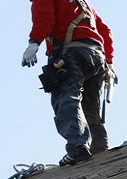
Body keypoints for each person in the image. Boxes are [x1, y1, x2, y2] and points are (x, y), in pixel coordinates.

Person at [21, 0, 115, 166]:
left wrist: (34, 42)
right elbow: (104, 30)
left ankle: (78, 147)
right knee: (89, 105)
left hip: (71, 52)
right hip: (97, 57)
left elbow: (44, 19)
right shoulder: (83, 3)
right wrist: (109, 62)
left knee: (66, 98)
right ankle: (99, 146)